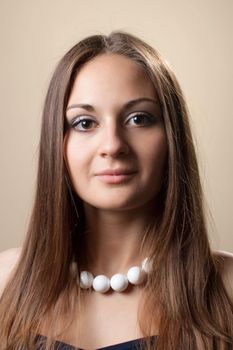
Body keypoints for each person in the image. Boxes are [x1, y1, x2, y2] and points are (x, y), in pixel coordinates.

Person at [0, 31, 232, 350]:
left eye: (139, 118)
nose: (112, 145)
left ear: (172, 138)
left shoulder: (227, 288)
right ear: (58, 142)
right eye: (84, 123)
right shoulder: (6, 282)